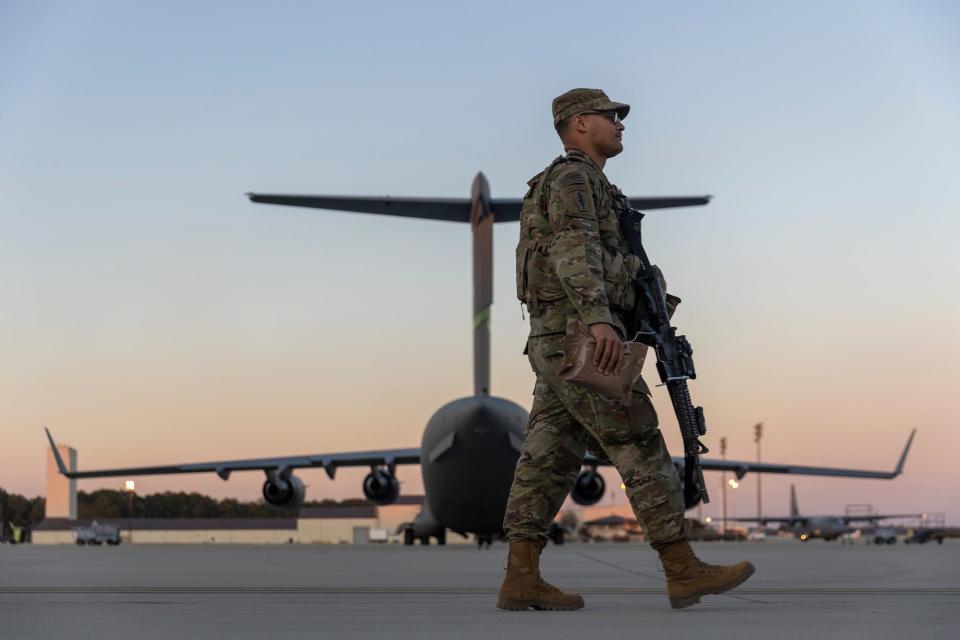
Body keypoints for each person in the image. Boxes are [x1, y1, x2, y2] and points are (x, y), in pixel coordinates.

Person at [498, 88, 754, 611]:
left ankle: (520, 577)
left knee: (548, 457)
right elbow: (575, 249)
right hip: (580, 338)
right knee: (637, 438)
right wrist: (598, 321)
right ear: (578, 123)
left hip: (557, 339)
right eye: (610, 116)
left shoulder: (589, 182)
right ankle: (681, 569)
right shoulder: (574, 178)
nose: (620, 124)